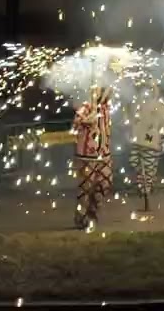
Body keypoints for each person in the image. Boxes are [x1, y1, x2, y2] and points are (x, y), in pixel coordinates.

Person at [72, 85, 113, 229]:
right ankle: (81, 217)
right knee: (85, 188)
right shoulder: (85, 107)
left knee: (105, 184)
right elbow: (77, 123)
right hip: (87, 156)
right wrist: (89, 117)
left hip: (104, 155)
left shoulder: (106, 108)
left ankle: (92, 211)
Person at [128, 81, 164, 212]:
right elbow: (132, 121)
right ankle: (144, 186)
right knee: (136, 163)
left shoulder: (159, 107)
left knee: (149, 169)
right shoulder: (138, 105)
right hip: (137, 142)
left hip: (151, 143)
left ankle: (146, 191)